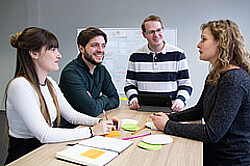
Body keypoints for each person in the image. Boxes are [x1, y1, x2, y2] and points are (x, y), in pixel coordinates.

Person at [4, 27, 121, 165]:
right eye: (52, 50)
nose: (59, 55)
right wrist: (92, 131)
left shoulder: (49, 83)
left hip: (47, 150)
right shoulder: (20, 86)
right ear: (34, 53)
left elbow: (72, 116)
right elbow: (44, 134)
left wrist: (100, 123)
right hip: (26, 157)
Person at [150, 20, 250, 165]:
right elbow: (199, 110)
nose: (198, 44)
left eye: (204, 39)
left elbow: (212, 133)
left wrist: (167, 126)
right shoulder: (215, 75)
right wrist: (169, 117)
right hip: (213, 155)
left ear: (221, 42)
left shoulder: (233, 80)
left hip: (231, 161)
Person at [124, 15, 193, 112]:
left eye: (159, 30)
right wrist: (133, 99)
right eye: (151, 32)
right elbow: (129, 84)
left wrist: (180, 101)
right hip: (142, 109)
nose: (156, 35)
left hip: (171, 110)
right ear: (144, 35)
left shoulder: (178, 54)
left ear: (163, 30)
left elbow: (186, 84)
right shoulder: (135, 56)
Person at [59, 27, 119, 128]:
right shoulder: (71, 73)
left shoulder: (101, 70)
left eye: (103, 46)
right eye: (95, 45)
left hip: (93, 125)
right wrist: (104, 98)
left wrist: (97, 102)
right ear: (81, 48)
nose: (100, 50)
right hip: (71, 130)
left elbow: (115, 99)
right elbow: (92, 110)